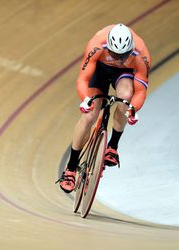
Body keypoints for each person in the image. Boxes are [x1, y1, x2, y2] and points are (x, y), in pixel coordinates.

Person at [58, 23, 151, 193]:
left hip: (123, 74)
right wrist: (85, 99)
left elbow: (140, 91)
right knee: (89, 116)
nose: (119, 59)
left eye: (123, 55)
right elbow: (83, 80)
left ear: (131, 49)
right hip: (99, 70)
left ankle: (112, 146)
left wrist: (133, 109)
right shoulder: (97, 44)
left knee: (126, 98)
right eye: (115, 54)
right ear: (108, 46)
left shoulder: (141, 53)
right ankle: (70, 169)